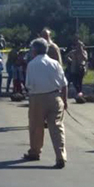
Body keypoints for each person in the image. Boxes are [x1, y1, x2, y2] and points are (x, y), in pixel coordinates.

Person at [24, 38, 68, 169]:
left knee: (36, 127)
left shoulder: (32, 64)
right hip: (55, 96)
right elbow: (64, 83)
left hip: (37, 98)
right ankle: (60, 156)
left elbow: (29, 84)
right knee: (57, 127)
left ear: (35, 50)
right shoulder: (55, 63)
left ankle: (35, 152)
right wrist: (64, 100)